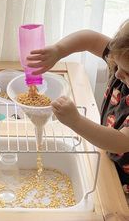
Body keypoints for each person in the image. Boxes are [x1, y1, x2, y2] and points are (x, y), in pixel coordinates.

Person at [27, 20, 129, 188]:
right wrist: (58, 50)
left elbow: (120, 141)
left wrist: (75, 121)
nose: (117, 74)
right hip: (107, 159)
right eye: (116, 65)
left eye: (126, 72)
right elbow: (89, 39)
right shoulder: (122, 57)